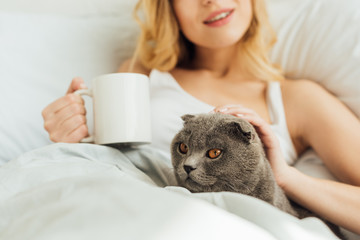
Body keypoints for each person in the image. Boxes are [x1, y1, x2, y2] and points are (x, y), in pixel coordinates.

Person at [42, 0, 360, 235]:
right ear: (169, 9)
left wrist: (286, 177)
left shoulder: (296, 98)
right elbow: (108, 159)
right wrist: (70, 131)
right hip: (124, 212)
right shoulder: (139, 73)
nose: (210, 0)